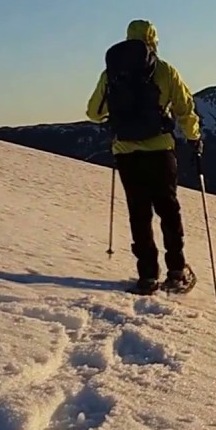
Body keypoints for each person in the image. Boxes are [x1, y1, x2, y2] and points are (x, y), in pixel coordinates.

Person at [86, 19, 202, 294]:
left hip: (126, 153)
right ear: (154, 40)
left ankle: (147, 277)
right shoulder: (164, 70)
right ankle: (176, 271)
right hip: (160, 151)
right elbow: (185, 108)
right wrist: (194, 137)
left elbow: (93, 112)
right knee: (168, 211)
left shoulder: (112, 72)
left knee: (139, 214)